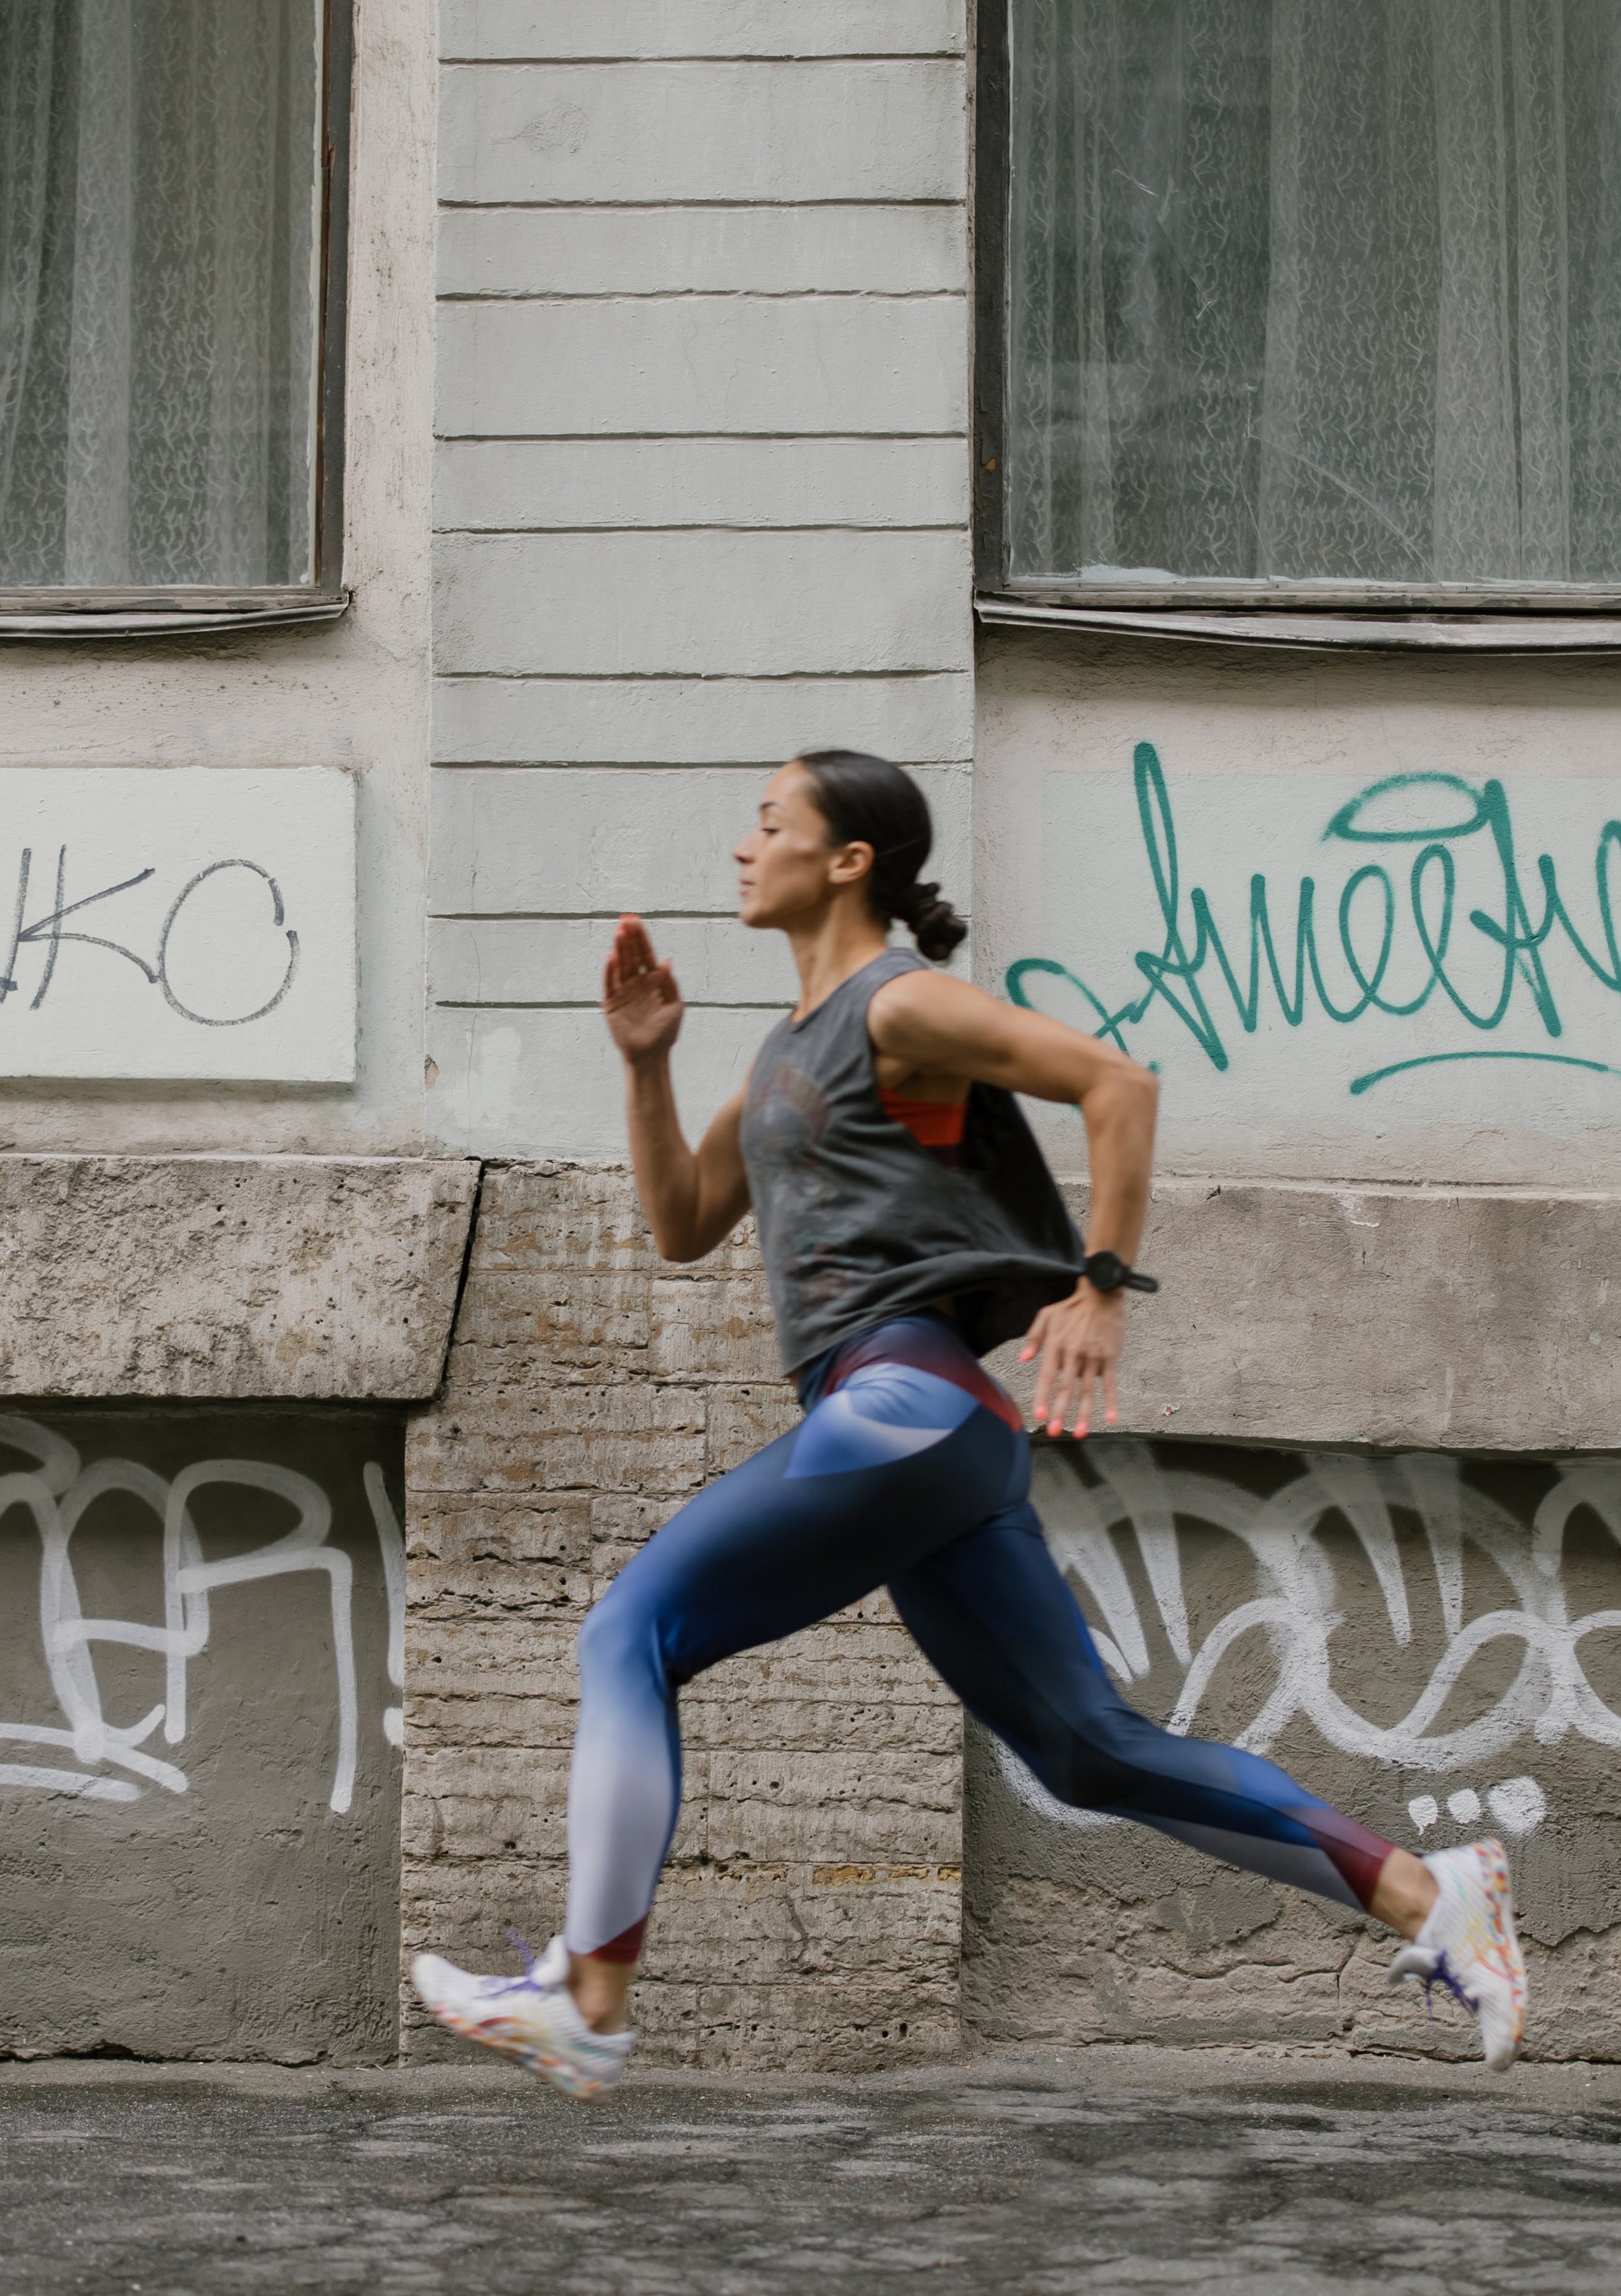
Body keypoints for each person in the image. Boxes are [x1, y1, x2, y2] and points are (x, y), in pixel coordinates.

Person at [412, 750, 1526, 2096]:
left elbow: (1120, 1085)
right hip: (933, 1438)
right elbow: (683, 1223)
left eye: (771, 825)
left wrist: (1100, 1288)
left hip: (904, 1404)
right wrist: (645, 1065)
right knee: (1084, 1745)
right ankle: (1433, 1895)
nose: (741, 847)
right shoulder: (780, 1054)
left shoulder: (902, 1003)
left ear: (847, 862)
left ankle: (587, 1996)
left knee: (626, 1629)